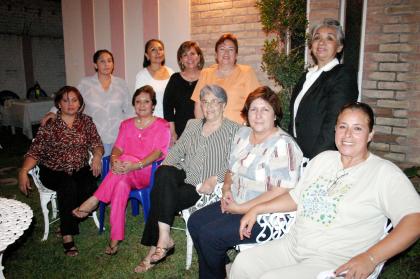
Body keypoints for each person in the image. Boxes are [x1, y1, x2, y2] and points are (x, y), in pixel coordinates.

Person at [231, 102, 420, 279]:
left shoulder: (383, 173)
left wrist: (371, 258)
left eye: (357, 128)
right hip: (292, 247)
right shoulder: (324, 159)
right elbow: (296, 198)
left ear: (370, 134)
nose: (347, 135)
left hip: (333, 261)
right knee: (243, 263)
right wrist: (258, 209)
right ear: (335, 129)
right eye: (343, 126)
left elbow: (414, 221)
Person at [188, 86, 303, 279]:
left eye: (265, 109)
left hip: (265, 214)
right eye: (253, 109)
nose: (258, 115)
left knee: (210, 235)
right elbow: (231, 169)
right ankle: (217, 267)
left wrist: (242, 208)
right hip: (236, 200)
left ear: (275, 115)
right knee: (195, 222)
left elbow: (281, 191)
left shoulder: (283, 144)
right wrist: (226, 189)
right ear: (246, 114)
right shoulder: (242, 135)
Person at [134, 84, 240, 273]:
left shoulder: (235, 130)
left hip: (202, 186)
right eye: (205, 101)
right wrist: (166, 166)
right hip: (184, 176)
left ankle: (156, 247)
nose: (209, 106)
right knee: (163, 172)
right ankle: (164, 236)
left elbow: (237, 162)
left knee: (161, 195)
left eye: (215, 102)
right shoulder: (192, 124)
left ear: (224, 105)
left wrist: (216, 178)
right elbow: (177, 151)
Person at [72, 85, 170, 255]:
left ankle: (95, 199)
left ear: (153, 105)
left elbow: (159, 152)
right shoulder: (126, 124)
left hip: (146, 172)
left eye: (146, 101)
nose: (141, 105)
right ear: (133, 105)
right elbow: (117, 148)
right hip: (124, 172)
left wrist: (135, 164)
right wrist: (115, 159)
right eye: (138, 101)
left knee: (128, 160)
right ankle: (115, 238)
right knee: (120, 186)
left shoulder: (162, 125)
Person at [18, 86, 104, 257]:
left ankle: (68, 219)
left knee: (90, 187)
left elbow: (96, 143)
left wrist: (97, 156)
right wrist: (23, 171)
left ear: (80, 103)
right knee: (68, 186)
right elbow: (35, 151)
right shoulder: (50, 123)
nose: (70, 104)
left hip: (79, 167)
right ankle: (67, 235)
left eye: (74, 100)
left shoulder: (86, 121)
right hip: (53, 170)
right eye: (65, 100)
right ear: (58, 104)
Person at [289, 18, 358, 160]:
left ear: (339, 47)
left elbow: (335, 122)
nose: (321, 42)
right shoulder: (307, 76)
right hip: (299, 154)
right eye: (317, 38)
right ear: (311, 45)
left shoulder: (342, 74)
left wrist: (317, 160)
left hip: (321, 156)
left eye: (329, 38)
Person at [41, 49, 131, 156]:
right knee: (97, 170)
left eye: (109, 61)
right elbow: (70, 98)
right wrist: (54, 112)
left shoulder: (121, 83)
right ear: (95, 65)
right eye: (102, 61)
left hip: (118, 136)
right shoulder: (86, 83)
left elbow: (129, 108)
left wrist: (130, 130)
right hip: (95, 137)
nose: (107, 64)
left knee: (116, 170)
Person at [191, 33, 260, 124]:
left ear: (236, 55)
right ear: (216, 54)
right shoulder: (206, 73)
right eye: (222, 49)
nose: (226, 53)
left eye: (231, 49)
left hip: (237, 131)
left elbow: (255, 104)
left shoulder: (246, 72)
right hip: (211, 132)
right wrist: (201, 129)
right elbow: (198, 106)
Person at [163, 41, 204, 145]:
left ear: (199, 57)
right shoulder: (175, 79)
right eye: (185, 55)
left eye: (192, 54)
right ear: (180, 60)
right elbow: (167, 107)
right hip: (180, 130)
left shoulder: (207, 77)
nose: (189, 58)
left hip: (203, 130)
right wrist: (172, 131)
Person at [135, 39, 174, 118]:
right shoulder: (142, 76)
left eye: (160, 49)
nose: (158, 52)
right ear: (147, 55)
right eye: (153, 50)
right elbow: (139, 103)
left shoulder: (171, 72)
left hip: (170, 121)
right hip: (151, 122)